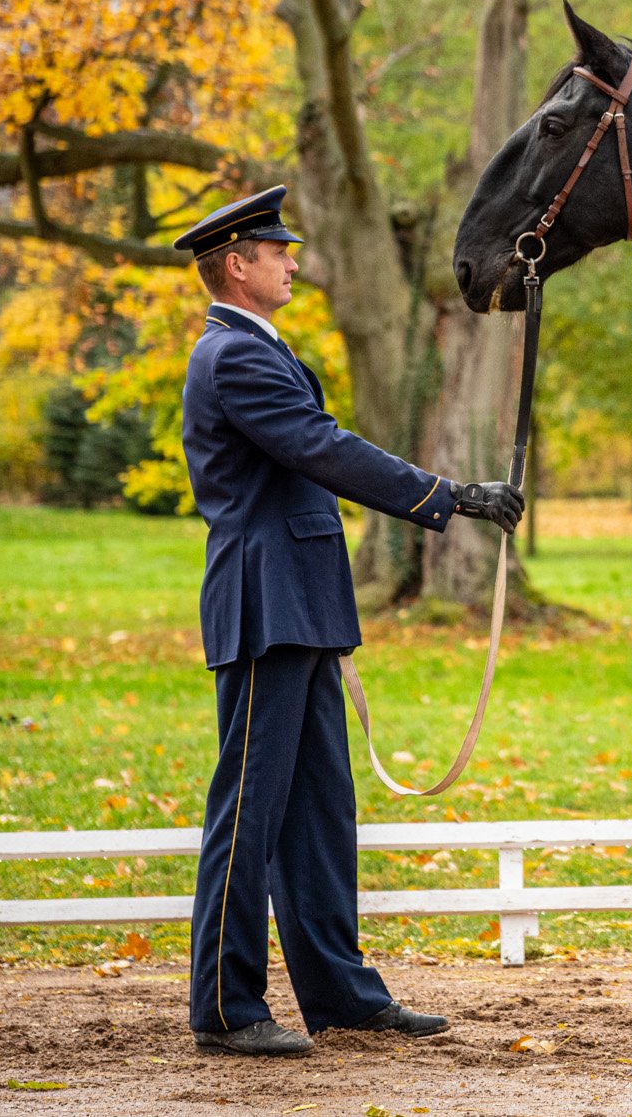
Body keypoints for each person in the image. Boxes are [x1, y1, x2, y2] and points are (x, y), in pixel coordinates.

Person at [175, 186, 522, 1058]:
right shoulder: (235, 357)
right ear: (236, 265)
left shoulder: (257, 347)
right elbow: (323, 448)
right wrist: (452, 496)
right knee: (250, 810)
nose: (293, 260)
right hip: (268, 606)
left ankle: (340, 994)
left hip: (299, 603)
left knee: (319, 810)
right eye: (277, 250)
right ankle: (223, 1005)